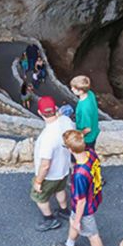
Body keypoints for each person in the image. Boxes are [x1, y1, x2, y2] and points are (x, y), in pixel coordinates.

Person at [52, 130, 109, 246]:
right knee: (73, 221)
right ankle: (69, 245)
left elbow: (81, 201)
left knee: (93, 235)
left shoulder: (79, 175)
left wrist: (78, 221)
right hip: (93, 197)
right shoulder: (91, 154)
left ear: (70, 149)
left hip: (85, 208)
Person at [31, 96, 76, 231]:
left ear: (40, 112)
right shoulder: (66, 121)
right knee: (60, 189)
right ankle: (64, 210)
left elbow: (45, 165)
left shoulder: (47, 137)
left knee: (39, 197)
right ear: (55, 108)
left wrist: (38, 181)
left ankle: (49, 219)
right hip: (63, 169)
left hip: (50, 175)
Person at [70, 75, 100, 151]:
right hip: (94, 131)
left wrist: (76, 137)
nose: (72, 89)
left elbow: (87, 129)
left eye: (74, 88)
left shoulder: (84, 108)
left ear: (81, 91)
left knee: (85, 155)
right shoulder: (90, 93)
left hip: (87, 139)